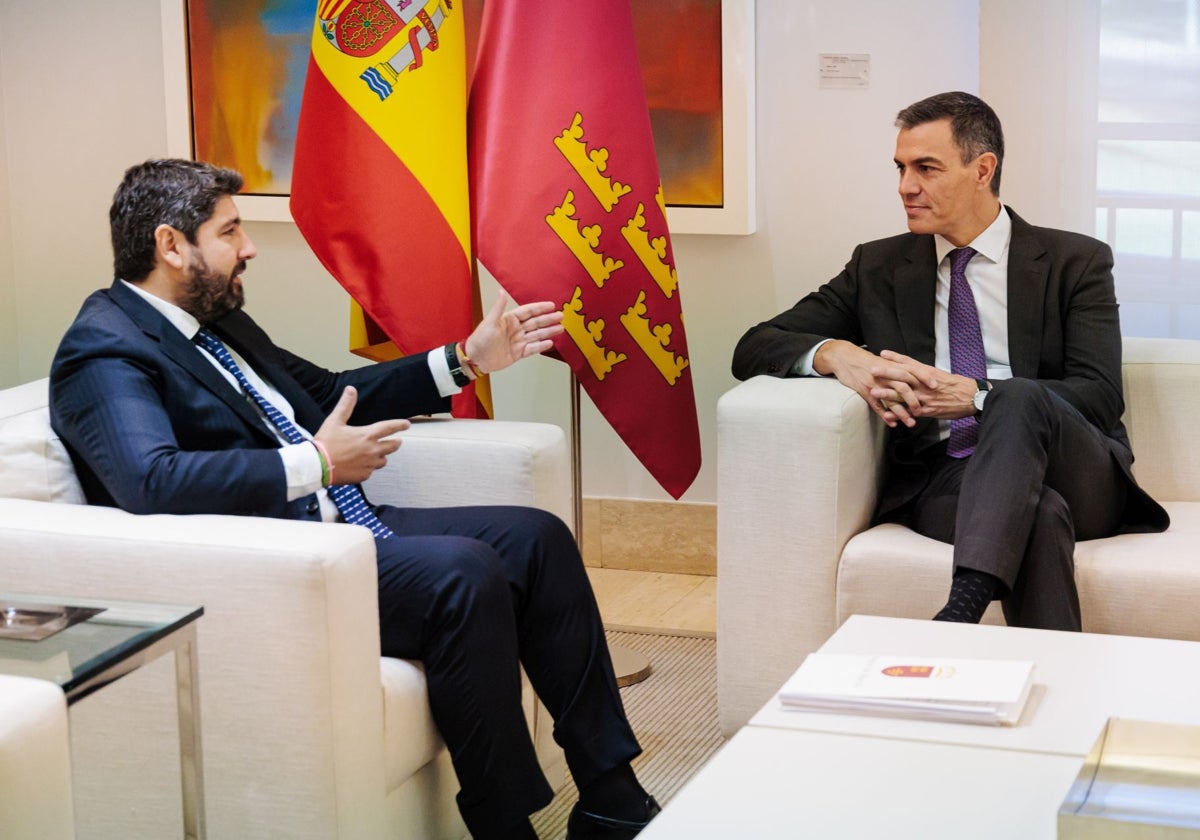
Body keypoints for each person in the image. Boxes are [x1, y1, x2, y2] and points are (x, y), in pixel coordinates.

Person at [50, 159, 659, 840]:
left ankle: (612, 796)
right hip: (275, 566)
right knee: (464, 571)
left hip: (339, 529)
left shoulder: (212, 321)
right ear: (171, 245)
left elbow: (330, 392)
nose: (248, 247)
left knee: (537, 539)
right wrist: (313, 463)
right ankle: (504, 824)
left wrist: (467, 358)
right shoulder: (104, 348)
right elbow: (150, 481)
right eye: (230, 232)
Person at [732, 91, 1169, 631]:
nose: (905, 186)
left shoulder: (1074, 262)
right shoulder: (880, 266)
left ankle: (963, 601)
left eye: (926, 168)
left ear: (982, 169)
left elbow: (1100, 393)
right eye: (900, 168)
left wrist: (979, 396)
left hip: (1079, 469)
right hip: (947, 476)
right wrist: (837, 354)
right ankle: (1044, 680)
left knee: (1018, 394)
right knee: (1038, 513)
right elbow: (754, 343)